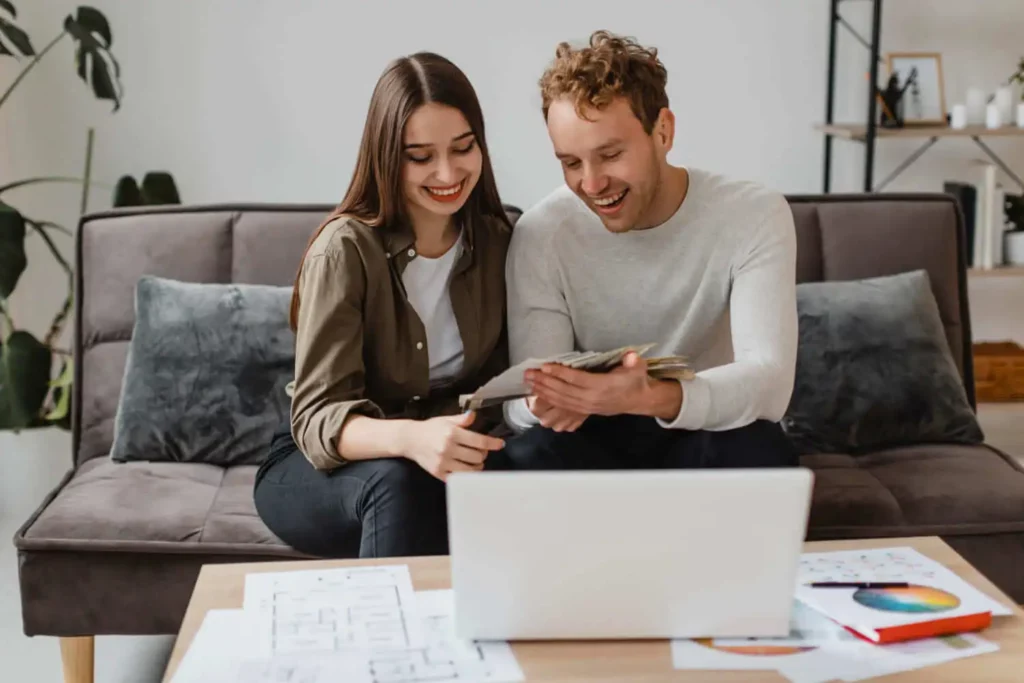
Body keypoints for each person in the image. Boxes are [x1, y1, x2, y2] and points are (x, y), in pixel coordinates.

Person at [499, 30, 799, 470]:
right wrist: (547, 401)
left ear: (663, 131)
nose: (592, 183)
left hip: (704, 430)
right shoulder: (542, 234)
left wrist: (649, 397)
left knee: (759, 447)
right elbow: (519, 403)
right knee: (531, 452)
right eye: (571, 163)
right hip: (592, 436)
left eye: (611, 154)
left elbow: (770, 384)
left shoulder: (752, 214)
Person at [254, 52, 512, 559]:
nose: (447, 172)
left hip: (440, 454)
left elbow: (506, 384)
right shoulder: (345, 250)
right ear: (387, 156)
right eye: (420, 157)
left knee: (538, 460)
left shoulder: (500, 243)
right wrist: (412, 439)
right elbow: (316, 419)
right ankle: (387, 638)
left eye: (463, 148)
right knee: (396, 483)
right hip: (323, 465)